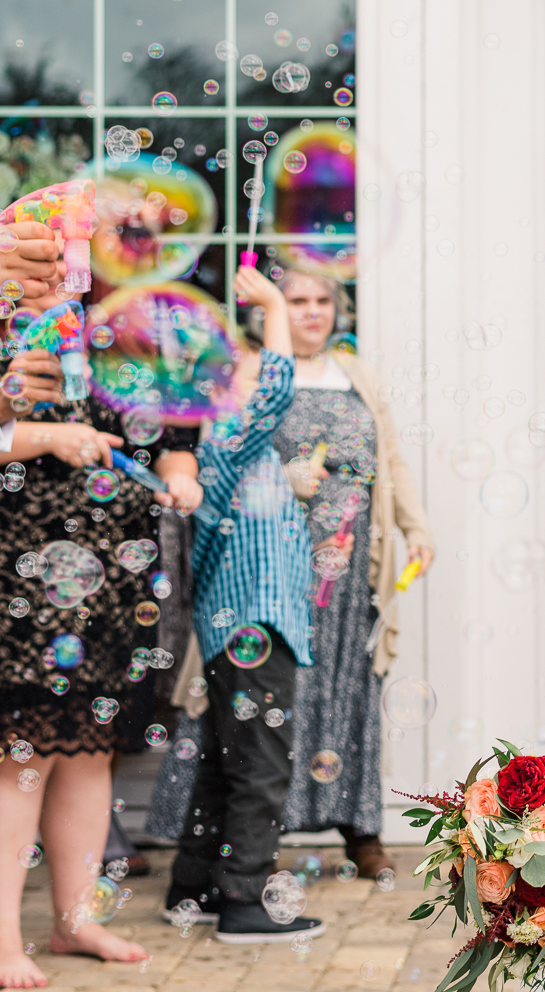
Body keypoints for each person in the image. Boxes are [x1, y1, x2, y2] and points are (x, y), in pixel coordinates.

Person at [0, 278, 202, 989]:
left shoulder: (124, 338)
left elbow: (171, 438)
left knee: (90, 750)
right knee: (22, 751)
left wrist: (179, 476)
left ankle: (74, 920)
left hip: (111, 579)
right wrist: (46, 436)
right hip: (12, 578)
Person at [165, 266, 323, 943]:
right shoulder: (225, 441)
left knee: (224, 759)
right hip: (254, 623)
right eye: (248, 377)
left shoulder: (230, 456)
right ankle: (245, 901)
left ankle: (193, 888)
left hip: (242, 626)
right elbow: (278, 393)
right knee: (262, 761)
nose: (261, 385)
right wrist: (272, 307)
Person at [273, 270, 433, 881]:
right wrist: (282, 481)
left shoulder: (355, 373)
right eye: (297, 301)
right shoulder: (259, 374)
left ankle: (361, 831)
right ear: (273, 309)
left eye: (322, 301)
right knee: (279, 692)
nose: (311, 312)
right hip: (281, 565)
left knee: (353, 685)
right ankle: (263, 831)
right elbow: (233, 461)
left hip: (353, 565)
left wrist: (417, 527)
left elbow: (389, 456)